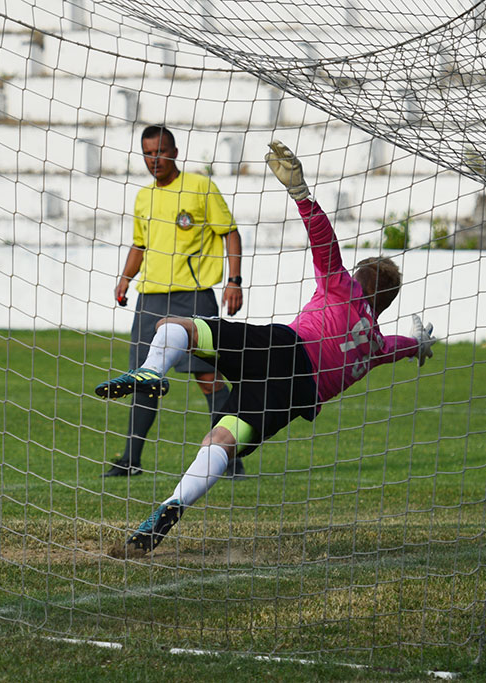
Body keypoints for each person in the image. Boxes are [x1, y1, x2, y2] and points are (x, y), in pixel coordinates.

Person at [96, 140, 437, 557]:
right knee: (221, 440)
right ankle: (172, 505)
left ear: (360, 280)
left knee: (174, 325)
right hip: (295, 396)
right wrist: (420, 345)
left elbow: (324, 245)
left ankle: (152, 370)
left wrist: (302, 194)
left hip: (284, 348)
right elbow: (401, 346)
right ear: (385, 303)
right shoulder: (376, 345)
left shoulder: (343, 287)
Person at [101, 125, 246, 479]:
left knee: (209, 377)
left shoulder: (200, 187)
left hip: (194, 299)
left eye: (161, 152)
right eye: (148, 153)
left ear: (175, 152)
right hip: (150, 300)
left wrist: (234, 281)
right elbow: (140, 244)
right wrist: (125, 279)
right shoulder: (143, 197)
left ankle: (230, 458)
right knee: (143, 378)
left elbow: (230, 233)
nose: (155, 160)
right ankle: (131, 460)